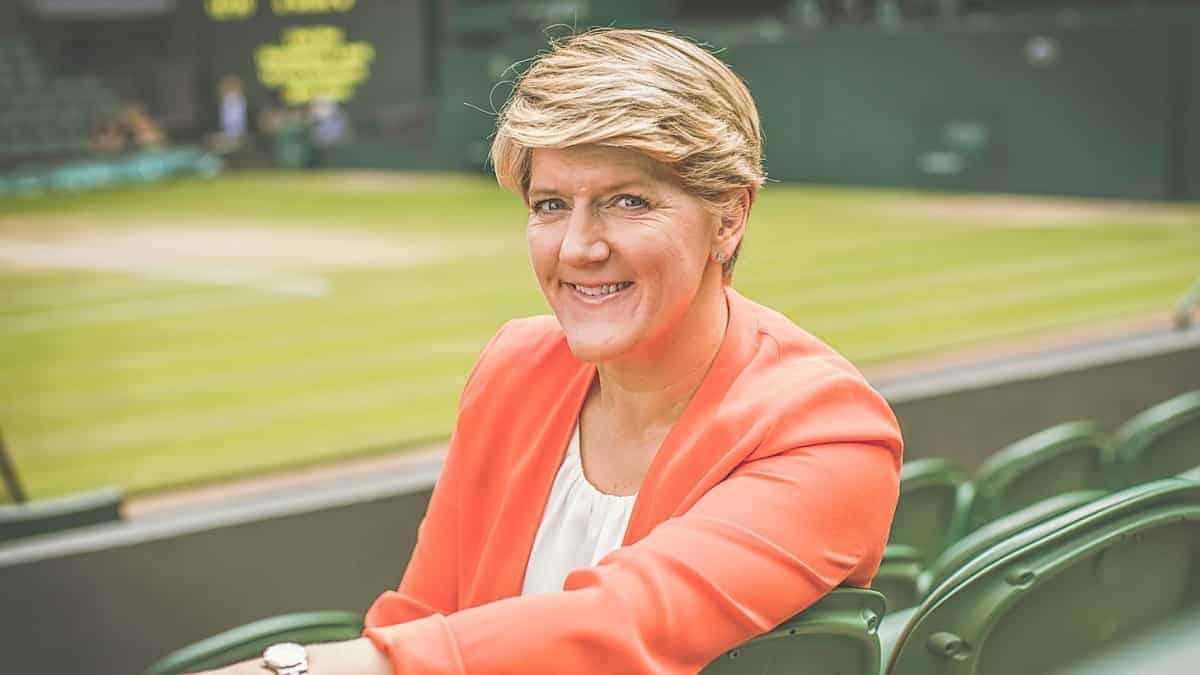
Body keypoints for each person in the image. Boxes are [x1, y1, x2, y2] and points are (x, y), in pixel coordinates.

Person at [200, 27, 902, 675]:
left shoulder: (829, 434)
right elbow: (418, 615)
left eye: (628, 201)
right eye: (550, 205)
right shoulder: (516, 366)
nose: (577, 248)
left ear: (730, 216)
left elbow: (618, 626)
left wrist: (294, 670)